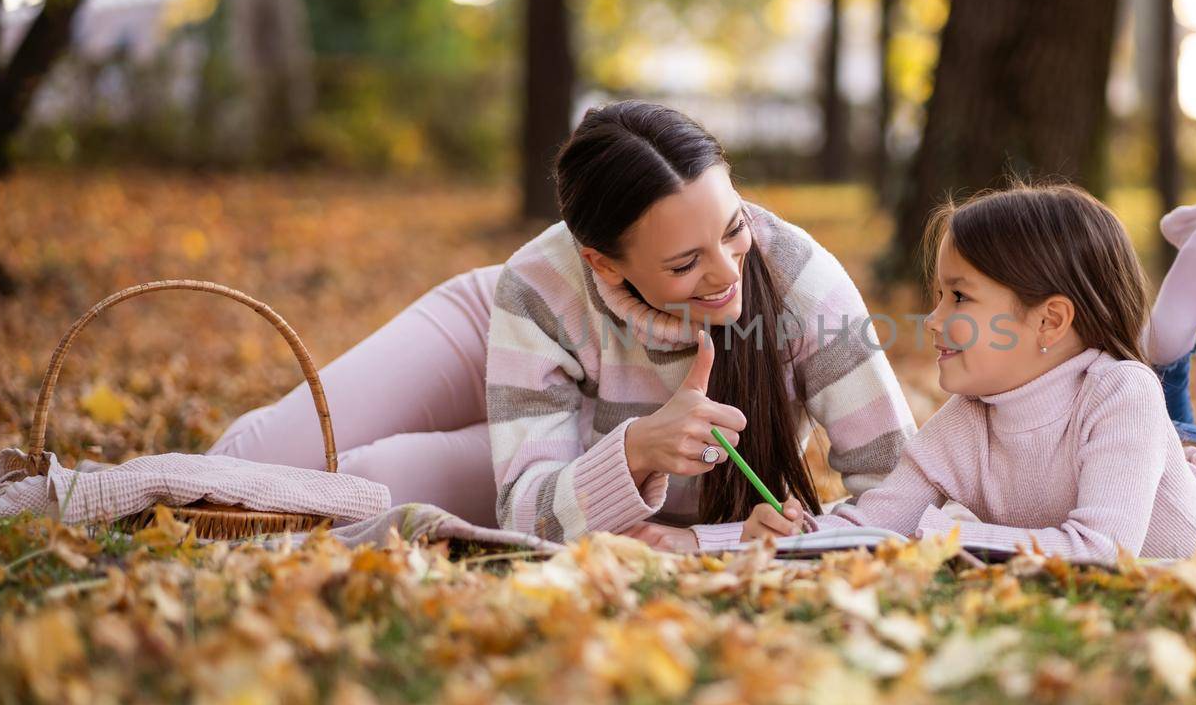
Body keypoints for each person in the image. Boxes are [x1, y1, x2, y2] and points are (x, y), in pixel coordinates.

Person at [209, 101, 917, 549]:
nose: (728, 273)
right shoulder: (546, 282)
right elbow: (529, 510)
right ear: (604, 265)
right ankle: (118, 495)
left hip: (573, 442)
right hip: (509, 333)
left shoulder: (801, 285)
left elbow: (899, 485)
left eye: (733, 230)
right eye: (683, 263)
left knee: (366, 482)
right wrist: (640, 443)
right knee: (266, 458)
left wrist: (764, 535)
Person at [742, 183, 1196, 558]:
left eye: (959, 298)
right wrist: (800, 535)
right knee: (1147, 386)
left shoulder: (1121, 390)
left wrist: (948, 538)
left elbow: (1101, 549)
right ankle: (1168, 348)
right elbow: (877, 522)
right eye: (939, 296)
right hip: (1149, 447)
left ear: (1050, 323)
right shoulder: (967, 419)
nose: (933, 320)